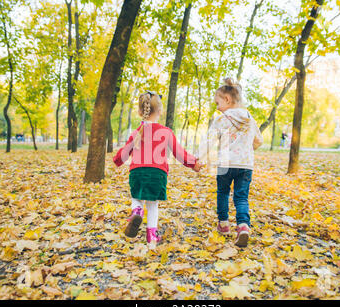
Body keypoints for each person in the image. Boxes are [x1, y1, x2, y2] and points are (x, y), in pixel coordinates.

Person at [113, 91, 202, 248]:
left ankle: (137, 211)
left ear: (140, 112)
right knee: (153, 204)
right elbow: (178, 152)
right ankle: (151, 238)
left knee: (136, 196)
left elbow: (125, 152)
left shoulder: (136, 133)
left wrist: (117, 160)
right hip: (157, 173)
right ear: (160, 111)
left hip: (137, 172)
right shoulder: (166, 132)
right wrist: (193, 163)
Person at [198, 78, 263, 248]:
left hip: (225, 164)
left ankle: (224, 224)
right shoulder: (249, 118)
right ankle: (242, 226)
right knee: (241, 198)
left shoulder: (221, 119)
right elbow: (259, 140)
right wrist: (249, 149)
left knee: (223, 193)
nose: (217, 107)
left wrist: (200, 159)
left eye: (217, 102)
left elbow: (208, 141)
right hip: (245, 165)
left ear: (227, 100)